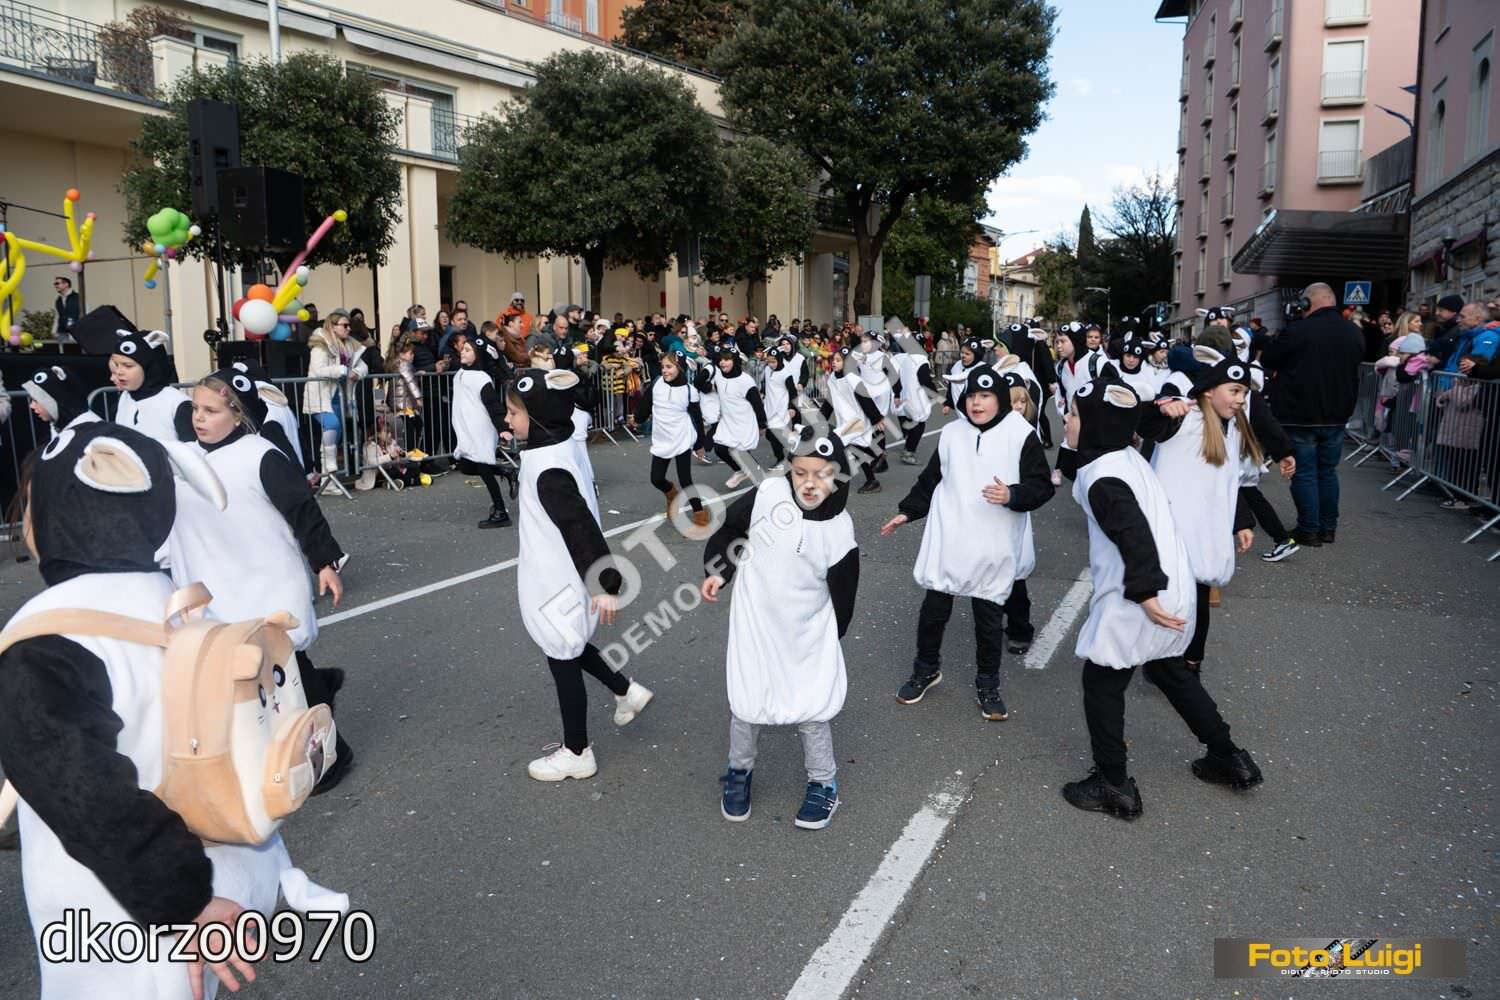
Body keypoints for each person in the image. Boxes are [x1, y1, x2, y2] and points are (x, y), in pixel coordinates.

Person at [0, 422, 299, 998]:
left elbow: (84, 793)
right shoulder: (189, 613)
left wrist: (182, 898)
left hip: (120, 914)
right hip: (226, 879)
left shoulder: (46, 642)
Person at [1058, 371, 1262, 821]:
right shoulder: (1127, 458)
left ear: (1095, 424)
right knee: (1171, 671)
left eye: (1072, 414)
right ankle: (1229, 757)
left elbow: (1132, 533)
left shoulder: (1104, 477)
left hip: (1141, 593)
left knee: (1102, 682)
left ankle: (1113, 783)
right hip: (1176, 586)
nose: (1066, 421)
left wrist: (1145, 592)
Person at [173, 367, 354, 793]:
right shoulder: (182, 458)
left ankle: (333, 755)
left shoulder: (261, 456)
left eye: (211, 411)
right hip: (216, 581)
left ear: (237, 415)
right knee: (241, 671)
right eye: (196, 408)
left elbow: (302, 510)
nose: (199, 418)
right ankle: (292, 715)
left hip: (266, 578)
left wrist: (324, 563)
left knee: (281, 669)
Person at [703, 426, 860, 830]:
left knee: (811, 706)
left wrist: (830, 638)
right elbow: (731, 528)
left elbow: (844, 594)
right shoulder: (769, 494)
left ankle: (823, 782)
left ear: (838, 474)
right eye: (800, 472)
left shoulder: (839, 530)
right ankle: (739, 771)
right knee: (747, 702)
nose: (808, 483)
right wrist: (718, 571)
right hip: (755, 622)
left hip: (806, 631)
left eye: (821, 474)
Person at [882, 366, 1054, 720]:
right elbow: (931, 478)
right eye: (972, 396)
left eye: (985, 396)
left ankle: (988, 683)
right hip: (950, 538)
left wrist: (1012, 494)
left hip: (992, 543)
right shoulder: (952, 433)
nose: (977, 403)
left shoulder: (1020, 433)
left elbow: (1041, 486)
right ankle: (926, 669)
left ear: (1000, 398)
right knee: (933, 612)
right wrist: (908, 511)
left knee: (988, 620)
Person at [507, 368, 653, 781]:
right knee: (568, 645)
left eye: (514, 413)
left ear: (536, 417)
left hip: (558, 577)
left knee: (562, 654)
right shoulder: (556, 448)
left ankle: (577, 751)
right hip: (560, 572)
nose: (508, 420)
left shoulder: (549, 469)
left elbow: (579, 526)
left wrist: (605, 582)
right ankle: (625, 691)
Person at [1141, 348, 1263, 673]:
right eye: (1234, 391)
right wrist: (1160, 408)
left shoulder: (1231, 428)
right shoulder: (1185, 418)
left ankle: (1191, 663)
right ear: (1209, 391)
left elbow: (1227, 483)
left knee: (1199, 600)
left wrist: (1241, 522)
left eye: (1244, 393)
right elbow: (1146, 424)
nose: (1240, 400)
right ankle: (1163, 663)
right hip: (1174, 532)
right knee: (1170, 599)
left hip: (1206, 533)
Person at [1259, 282, 1364, 547]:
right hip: (1337, 414)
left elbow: (1268, 358)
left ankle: (1309, 529)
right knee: (1327, 471)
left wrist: (1288, 326)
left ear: (1307, 303)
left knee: (1304, 472)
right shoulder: (1353, 332)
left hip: (1300, 414)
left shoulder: (1298, 330)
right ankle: (1328, 528)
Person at [629, 348, 709, 528]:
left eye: (669, 367)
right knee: (656, 478)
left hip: (682, 437)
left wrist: (699, 444)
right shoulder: (657, 383)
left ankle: (700, 513)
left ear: (679, 368)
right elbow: (645, 404)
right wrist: (638, 418)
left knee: (685, 479)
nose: (665, 370)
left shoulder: (689, 391)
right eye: (663, 366)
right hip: (662, 438)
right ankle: (671, 494)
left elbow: (697, 419)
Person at [303, 310, 369, 495]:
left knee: (334, 434)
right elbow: (319, 369)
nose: (348, 329)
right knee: (332, 426)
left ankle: (328, 482)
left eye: (349, 325)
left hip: (340, 396)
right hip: (321, 395)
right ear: (332, 326)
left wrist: (357, 372)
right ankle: (329, 473)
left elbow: (363, 365)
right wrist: (342, 370)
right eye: (344, 325)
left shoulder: (349, 345)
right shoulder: (320, 346)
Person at [451, 338, 513, 529]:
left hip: (480, 429)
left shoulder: (481, 378)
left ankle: (501, 512)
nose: (463, 352)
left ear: (476, 355)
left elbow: (493, 405)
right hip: (466, 429)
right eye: (462, 349)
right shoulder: (460, 373)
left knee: (484, 468)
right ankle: (506, 471)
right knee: (465, 466)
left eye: (468, 350)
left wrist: (503, 428)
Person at [822, 345, 888, 494]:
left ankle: (837, 477)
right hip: (844, 421)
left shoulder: (853, 379)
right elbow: (829, 402)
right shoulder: (832, 378)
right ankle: (872, 475)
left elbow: (865, 400)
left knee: (839, 445)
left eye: (838, 360)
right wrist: (821, 419)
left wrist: (877, 418)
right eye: (834, 360)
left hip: (856, 421)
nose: (834, 362)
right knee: (856, 450)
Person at [110, 328, 193, 444]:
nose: (119, 372)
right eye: (117, 365)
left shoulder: (178, 403)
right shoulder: (125, 397)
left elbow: (192, 447)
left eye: (128, 366)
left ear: (150, 366)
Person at [705, 342, 768, 488]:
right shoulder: (719, 377)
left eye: (727, 359)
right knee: (720, 449)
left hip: (744, 423)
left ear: (735, 361)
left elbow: (757, 404)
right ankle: (740, 471)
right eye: (721, 359)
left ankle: (763, 482)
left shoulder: (746, 381)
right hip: (727, 422)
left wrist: (762, 424)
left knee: (742, 454)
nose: (722, 362)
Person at [23, 365, 100, 436]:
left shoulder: (90, 432)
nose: (31, 406)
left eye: (36, 400)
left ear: (57, 401)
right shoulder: (59, 427)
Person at [51, 276, 80, 340]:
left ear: (66, 284)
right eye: (55, 284)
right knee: (63, 346)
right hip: (62, 332)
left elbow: (85, 313)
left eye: (57, 283)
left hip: (76, 332)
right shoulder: (58, 300)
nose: (55, 286)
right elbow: (57, 316)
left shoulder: (78, 298)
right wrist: (53, 331)